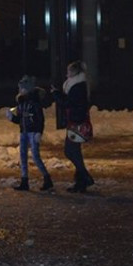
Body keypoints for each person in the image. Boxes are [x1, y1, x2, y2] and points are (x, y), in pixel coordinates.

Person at [51, 60, 94, 193]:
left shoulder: (77, 86)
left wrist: (56, 94)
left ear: (75, 72)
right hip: (76, 121)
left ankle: (84, 177)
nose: (67, 73)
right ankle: (81, 181)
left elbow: (68, 103)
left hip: (77, 122)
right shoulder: (77, 85)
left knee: (70, 151)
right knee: (75, 151)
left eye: (69, 71)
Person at [7, 75, 53, 191]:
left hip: (32, 132)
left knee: (35, 157)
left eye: (21, 88)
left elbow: (40, 119)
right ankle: (24, 181)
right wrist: (12, 118)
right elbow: (20, 119)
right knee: (23, 156)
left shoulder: (35, 102)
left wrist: (39, 132)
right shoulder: (21, 103)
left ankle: (47, 178)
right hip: (24, 132)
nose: (19, 90)